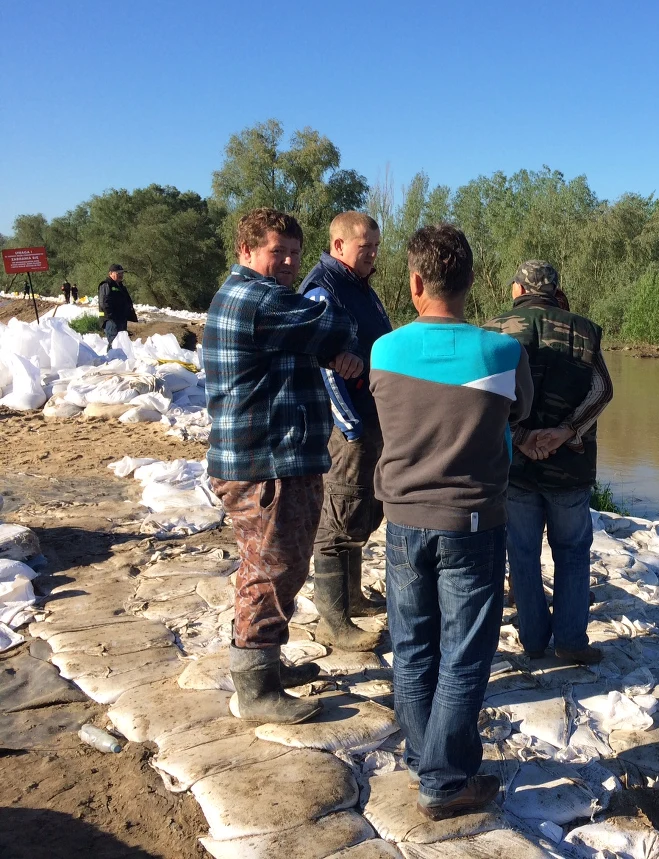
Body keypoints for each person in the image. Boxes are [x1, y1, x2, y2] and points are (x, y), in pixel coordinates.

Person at [371, 224, 532, 819]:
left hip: (403, 520)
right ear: (470, 283)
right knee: (464, 653)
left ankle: (425, 758)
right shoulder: (502, 351)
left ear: (415, 283)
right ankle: (443, 781)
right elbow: (525, 409)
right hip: (472, 521)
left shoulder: (383, 350)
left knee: (413, 646)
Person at [204, 208, 363, 725]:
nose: (292, 262)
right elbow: (334, 320)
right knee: (268, 571)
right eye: (280, 252)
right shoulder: (255, 298)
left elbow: (311, 338)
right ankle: (255, 693)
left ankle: (266, 668)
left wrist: (329, 351)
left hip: (275, 458)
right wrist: (336, 343)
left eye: (295, 251)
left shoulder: (270, 305)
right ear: (246, 252)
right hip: (264, 463)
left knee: (280, 567)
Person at [483, 260, 614, 665]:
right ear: (556, 290)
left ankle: (534, 639)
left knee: (521, 551)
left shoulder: (492, 329)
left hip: (515, 466)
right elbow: (602, 390)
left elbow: (486, 396)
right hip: (570, 466)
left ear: (517, 290)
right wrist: (565, 431)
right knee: (572, 551)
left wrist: (521, 438)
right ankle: (571, 640)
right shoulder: (584, 329)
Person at [299, 211, 392, 652]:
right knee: (338, 513)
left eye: (376, 246)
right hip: (347, 425)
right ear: (338, 245)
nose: (373, 255)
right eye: (364, 247)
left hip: (369, 417)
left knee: (360, 507)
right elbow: (322, 363)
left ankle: (352, 596)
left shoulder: (359, 286)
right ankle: (333, 620)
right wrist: (351, 425)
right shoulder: (324, 289)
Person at [97, 264, 138, 349]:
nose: (121, 275)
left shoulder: (121, 286)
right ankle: (112, 361)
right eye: (118, 273)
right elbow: (104, 303)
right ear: (110, 273)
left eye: (122, 273)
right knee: (114, 344)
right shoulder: (106, 285)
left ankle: (120, 361)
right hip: (111, 321)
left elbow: (127, 302)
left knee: (121, 344)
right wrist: (112, 317)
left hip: (121, 320)